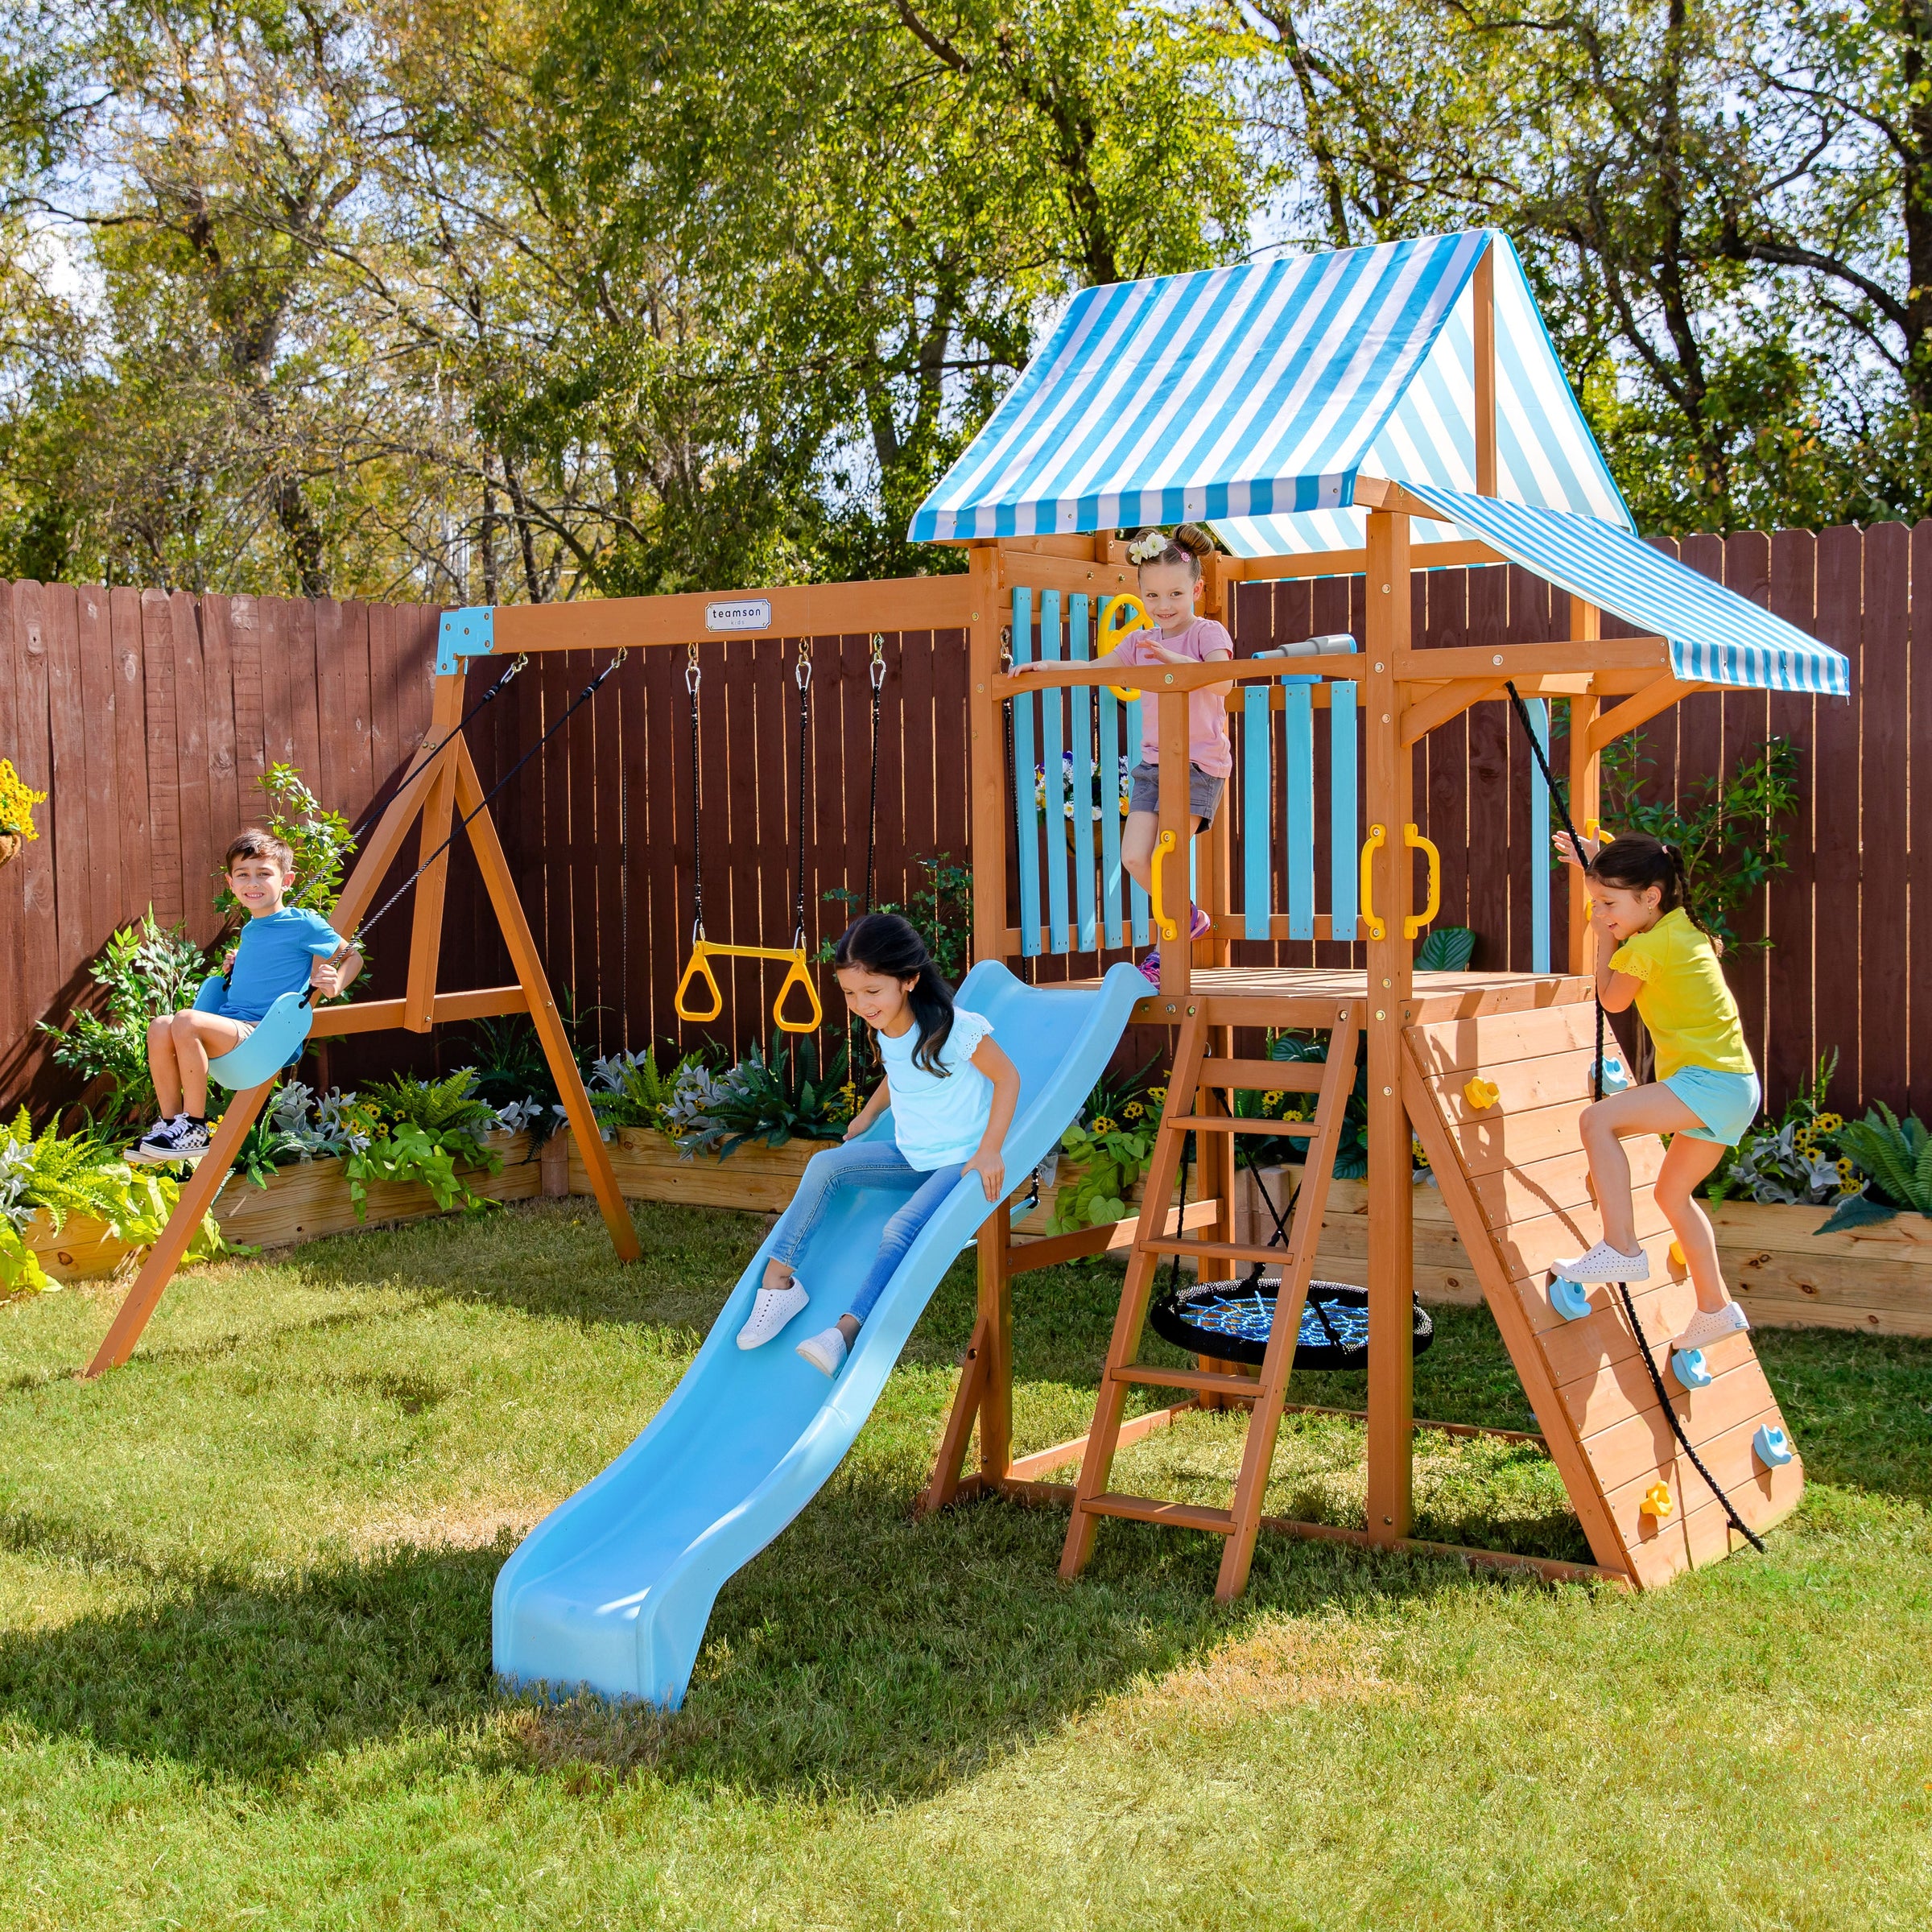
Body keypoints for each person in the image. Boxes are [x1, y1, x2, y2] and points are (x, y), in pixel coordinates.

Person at [735, 912, 1021, 1377]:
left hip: (961, 1162)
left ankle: (844, 1331)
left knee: (899, 1229)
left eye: (872, 991)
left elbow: (1008, 1078)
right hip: (913, 1156)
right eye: (850, 993)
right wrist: (868, 1115)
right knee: (826, 1166)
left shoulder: (954, 1027)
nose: (861, 1004)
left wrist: (990, 1149)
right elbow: (899, 1072)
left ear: (908, 980)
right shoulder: (886, 1025)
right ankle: (780, 1283)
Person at [1547, 830, 1760, 1353]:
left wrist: (1602, 939)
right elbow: (1641, 875)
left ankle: (1620, 1245)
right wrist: (1596, 864)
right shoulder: (1679, 925)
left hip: (1710, 1082)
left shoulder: (1646, 945)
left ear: (1651, 898)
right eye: (1598, 903)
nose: (1602, 912)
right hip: (1736, 1085)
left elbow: (1612, 1001)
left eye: (1607, 905)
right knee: (1671, 1194)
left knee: (1596, 1122)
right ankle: (1715, 1308)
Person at [1010, 522, 1232, 984]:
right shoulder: (1139, 642)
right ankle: (1187, 916)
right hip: (1154, 765)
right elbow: (1095, 669)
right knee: (1134, 857)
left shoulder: (1207, 633)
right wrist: (1046, 667)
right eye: (1152, 597)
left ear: (1197, 588)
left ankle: (1163, 951)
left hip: (1198, 766)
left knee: (1165, 856)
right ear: (1141, 594)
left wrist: (1174, 661)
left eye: (1174, 594)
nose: (1164, 606)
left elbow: (1224, 679)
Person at [127, 829, 361, 1166]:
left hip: (264, 1034)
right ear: (231, 883)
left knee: (186, 1020)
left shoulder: (301, 921)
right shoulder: (252, 927)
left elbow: (352, 956)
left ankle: (195, 1126)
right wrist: (239, 966)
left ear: (287, 880)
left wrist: (334, 983)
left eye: (264, 874)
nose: (253, 883)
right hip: (234, 1027)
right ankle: (171, 1124)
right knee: (160, 1026)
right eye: (243, 875)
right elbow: (270, 965)